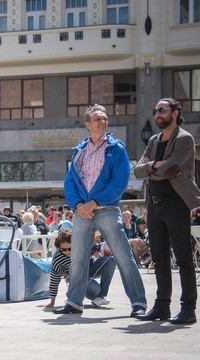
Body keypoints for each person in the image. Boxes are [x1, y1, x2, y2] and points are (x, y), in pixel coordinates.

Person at [53, 104, 147, 317]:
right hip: (82, 213)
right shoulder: (79, 151)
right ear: (88, 124)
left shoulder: (116, 148)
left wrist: (93, 202)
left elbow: (120, 181)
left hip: (107, 210)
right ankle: (74, 302)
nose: (103, 122)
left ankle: (139, 303)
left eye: (105, 118)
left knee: (124, 257)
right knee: (77, 259)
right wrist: (78, 205)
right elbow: (70, 182)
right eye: (98, 119)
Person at [134, 98, 200, 325]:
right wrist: (154, 166)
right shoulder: (153, 140)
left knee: (183, 258)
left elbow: (173, 168)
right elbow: (137, 169)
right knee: (159, 259)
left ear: (175, 112)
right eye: (156, 111)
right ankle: (162, 307)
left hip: (176, 204)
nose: (157, 114)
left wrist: (153, 167)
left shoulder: (184, 139)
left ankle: (188, 310)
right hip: (153, 205)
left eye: (162, 110)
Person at [38, 230, 116, 309]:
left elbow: (99, 246)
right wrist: (52, 302)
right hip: (76, 279)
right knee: (95, 290)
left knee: (110, 260)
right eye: (63, 249)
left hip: (89, 268)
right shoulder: (58, 258)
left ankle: (101, 297)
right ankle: (75, 294)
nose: (67, 251)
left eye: (70, 248)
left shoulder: (84, 245)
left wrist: (106, 246)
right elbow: (54, 279)